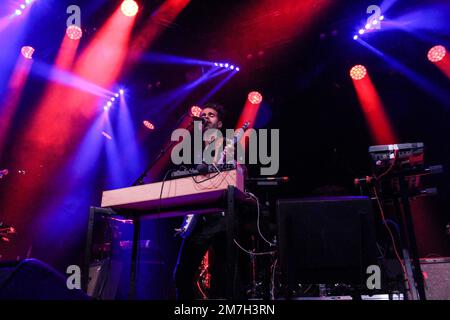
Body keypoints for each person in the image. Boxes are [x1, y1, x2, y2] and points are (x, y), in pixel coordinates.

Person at [173, 103, 231, 299]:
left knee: (225, 277)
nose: (205, 117)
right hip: (198, 218)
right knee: (181, 276)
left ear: (220, 123)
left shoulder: (228, 147)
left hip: (221, 219)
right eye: (203, 114)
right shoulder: (191, 150)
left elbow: (239, 175)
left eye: (211, 115)